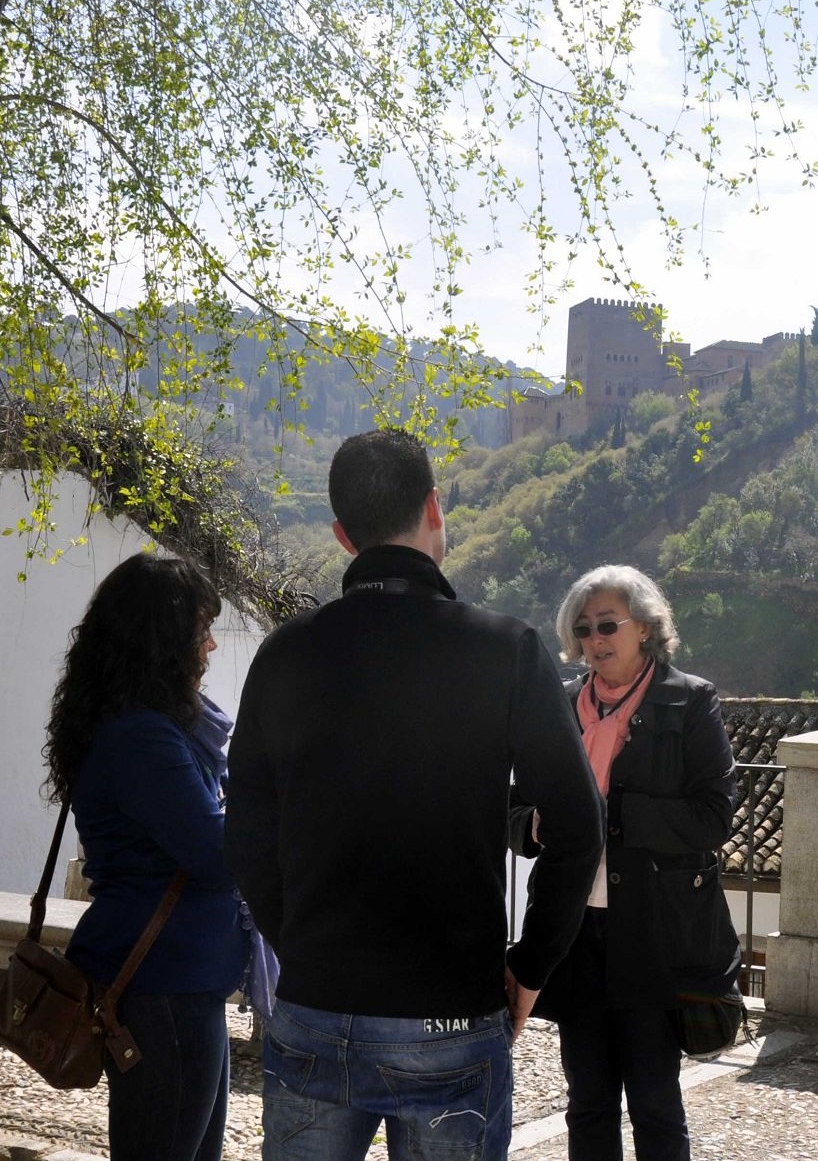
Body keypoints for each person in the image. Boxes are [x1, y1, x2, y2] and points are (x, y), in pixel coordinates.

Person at [226, 429, 603, 1161]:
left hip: (313, 1006)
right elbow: (580, 827)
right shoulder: (506, 650)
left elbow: (244, 834)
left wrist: (299, 942)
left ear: (342, 534)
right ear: (435, 506)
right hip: (451, 1015)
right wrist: (529, 968)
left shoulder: (285, 655)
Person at [509, 565, 740, 1161]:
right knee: (586, 1103)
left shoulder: (689, 701)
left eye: (607, 624)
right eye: (583, 629)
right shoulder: (559, 707)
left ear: (646, 629)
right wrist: (534, 824)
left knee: (655, 1104)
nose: (594, 640)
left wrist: (611, 817)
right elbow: (512, 810)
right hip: (573, 932)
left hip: (654, 932)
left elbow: (715, 817)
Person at [49, 553, 248, 1161]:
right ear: (163, 641)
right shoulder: (142, 736)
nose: (211, 646)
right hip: (164, 982)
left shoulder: (139, 725)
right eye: (200, 630)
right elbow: (216, 854)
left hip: (174, 976)